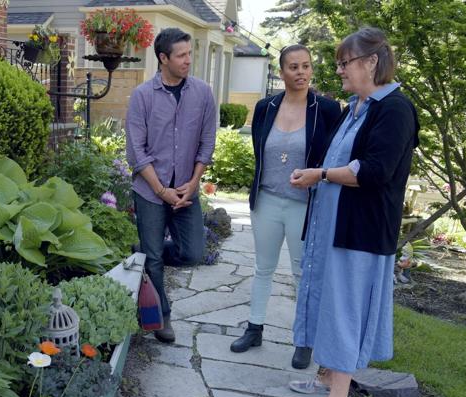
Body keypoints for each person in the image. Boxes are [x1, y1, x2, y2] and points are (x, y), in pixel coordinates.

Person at [285, 27, 419, 397]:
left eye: (345, 63)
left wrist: (320, 174)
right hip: (334, 227)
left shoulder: (394, 109)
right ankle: (327, 376)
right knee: (328, 300)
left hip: (359, 232)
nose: (339, 70)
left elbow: (375, 171)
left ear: (371, 62)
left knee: (343, 309)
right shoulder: (357, 107)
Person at [229, 45, 341, 371]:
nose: (301, 72)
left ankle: (304, 339)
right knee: (263, 268)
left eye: (306, 66)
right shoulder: (265, 107)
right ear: (282, 73)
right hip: (266, 200)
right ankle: (254, 328)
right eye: (293, 67)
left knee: (300, 273)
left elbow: (335, 156)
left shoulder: (328, 109)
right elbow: (259, 150)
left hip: (304, 206)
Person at [125, 27, 216, 343]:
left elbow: (206, 143)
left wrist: (192, 184)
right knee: (154, 262)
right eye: (181, 55)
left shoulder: (203, 93)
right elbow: (137, 151)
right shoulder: (143, 96)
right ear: (163, 58)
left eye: (190, 54)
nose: (188, 60)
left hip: (186, 191)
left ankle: (145, 253)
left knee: (192, 253)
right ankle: (163, 315)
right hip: (151, 191)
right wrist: (162, 190)